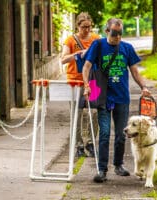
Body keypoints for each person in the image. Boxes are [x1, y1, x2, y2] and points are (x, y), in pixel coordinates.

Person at [82, 18, 151, 182]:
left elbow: (135, 71)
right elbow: (86, 67)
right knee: (104, 133)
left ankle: (118, 164)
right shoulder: (98, 45)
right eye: (114, 33)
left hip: (122, 97)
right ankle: (102, 169)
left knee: (121, 134)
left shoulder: (127, 48)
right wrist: (86, 85)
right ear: (107, 31)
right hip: (103, 96)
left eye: (120, 33)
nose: (118, 37)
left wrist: (144, 87)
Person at [61, 12, 100, 158]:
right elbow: (63, 59)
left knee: (94, 112)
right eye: (84, 27)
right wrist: (79, 54)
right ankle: (78, 145)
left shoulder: (96, 39)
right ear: (78, 26)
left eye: (89, 27)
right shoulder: (70, 40)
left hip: (93, 81)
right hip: (75, 82)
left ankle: (90, 142)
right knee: (76, 114)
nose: (87, 30)